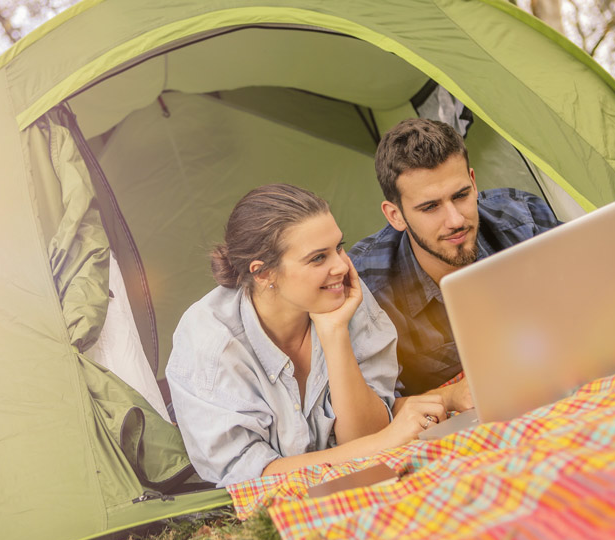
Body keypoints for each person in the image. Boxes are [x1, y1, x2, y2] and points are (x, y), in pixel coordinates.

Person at [166, 184, 448, 487]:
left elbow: (364, 435)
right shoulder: (210, 342)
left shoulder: (341, 294)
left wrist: (334, 333)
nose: (341, 265)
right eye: (318, 258)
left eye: (339, 247)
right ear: (263, 273)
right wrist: (383, 442)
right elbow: (249, 478)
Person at [350, 118, 561, 397]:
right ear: (395, 215)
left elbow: (596, 301)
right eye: (430, 207)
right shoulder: (367, 283)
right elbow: (380, 407)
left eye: (461, 195)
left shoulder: (524, 218)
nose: (455, 220)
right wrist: (448, 397)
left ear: (473, 183)